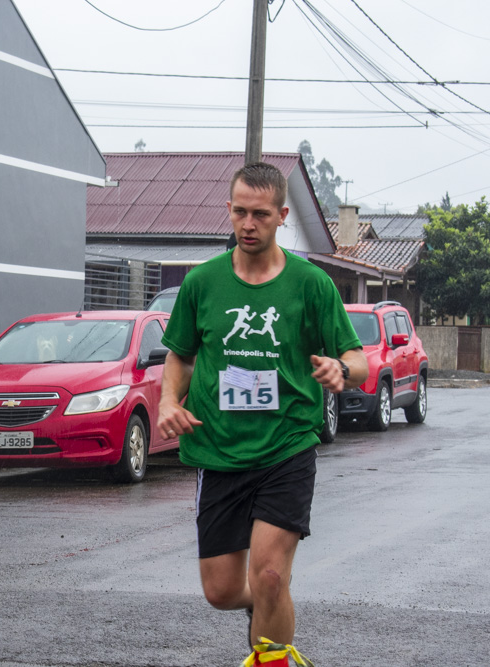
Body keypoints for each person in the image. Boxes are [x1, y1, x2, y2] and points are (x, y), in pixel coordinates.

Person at [157, 162, 367, 654]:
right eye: (240, 213)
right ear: (229, 211)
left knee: (271, 575)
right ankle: (267, 604)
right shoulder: (202, 283)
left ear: (281, 216)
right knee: (223, 590)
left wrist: (341, 368)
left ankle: (271, 640)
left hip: (287, 447)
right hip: (219, 449)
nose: (248, 225)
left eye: (260, 215)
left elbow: (357, 358)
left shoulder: (310, 284)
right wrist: (169, 399)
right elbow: (181, 355)